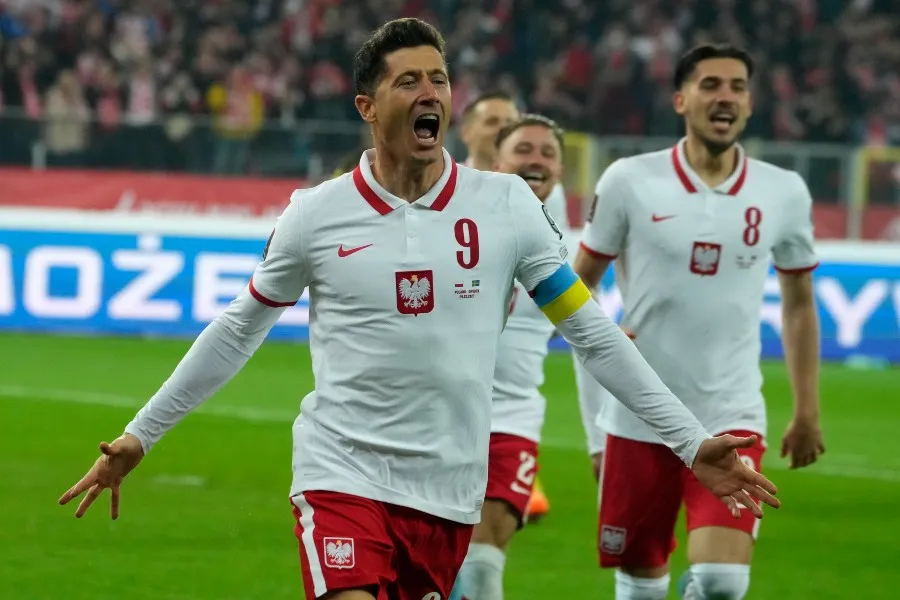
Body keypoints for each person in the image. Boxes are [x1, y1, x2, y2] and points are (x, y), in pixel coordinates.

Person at [59, 22, 780, 600]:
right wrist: (139, 435)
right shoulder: (316, 214)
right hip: (340, 473)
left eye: (439, 78)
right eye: (409, 79)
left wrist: (690, 440)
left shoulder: (506, 208)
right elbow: (236, 330)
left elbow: (590, 332)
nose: (430, 90)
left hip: (447, 492)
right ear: (369, 107)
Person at [573, 43, 825, 600]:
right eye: (711, 84)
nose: (726, 96)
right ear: (681, 100)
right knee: (641, 585)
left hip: (731, 415)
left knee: (721, 583)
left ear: (751, 104)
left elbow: (800, 302)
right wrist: (598, 427)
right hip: (641, 419)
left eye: (737, 86)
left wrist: (807, 410)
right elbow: (575, 289)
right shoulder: (628, 180)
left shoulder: (783, 191)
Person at [449, 114, 566, 600]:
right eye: (524, 150)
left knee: (479, 569)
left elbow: (577, 311)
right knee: (432, 571)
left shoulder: (558, 238)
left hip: (512, 417)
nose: (536, 160)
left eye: (548, 153)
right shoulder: (451, 220)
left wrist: (599, 330)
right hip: (439, 413)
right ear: (496, 162)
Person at [457, 91, 551, 522]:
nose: (503, 128)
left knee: (480, 561)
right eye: (493, 121)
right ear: (467, 131)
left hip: (512, 406)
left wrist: (591, 325)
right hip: (440, 398)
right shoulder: (437, 191)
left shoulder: (535, 196)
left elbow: (564, 283)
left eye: (510, 120)